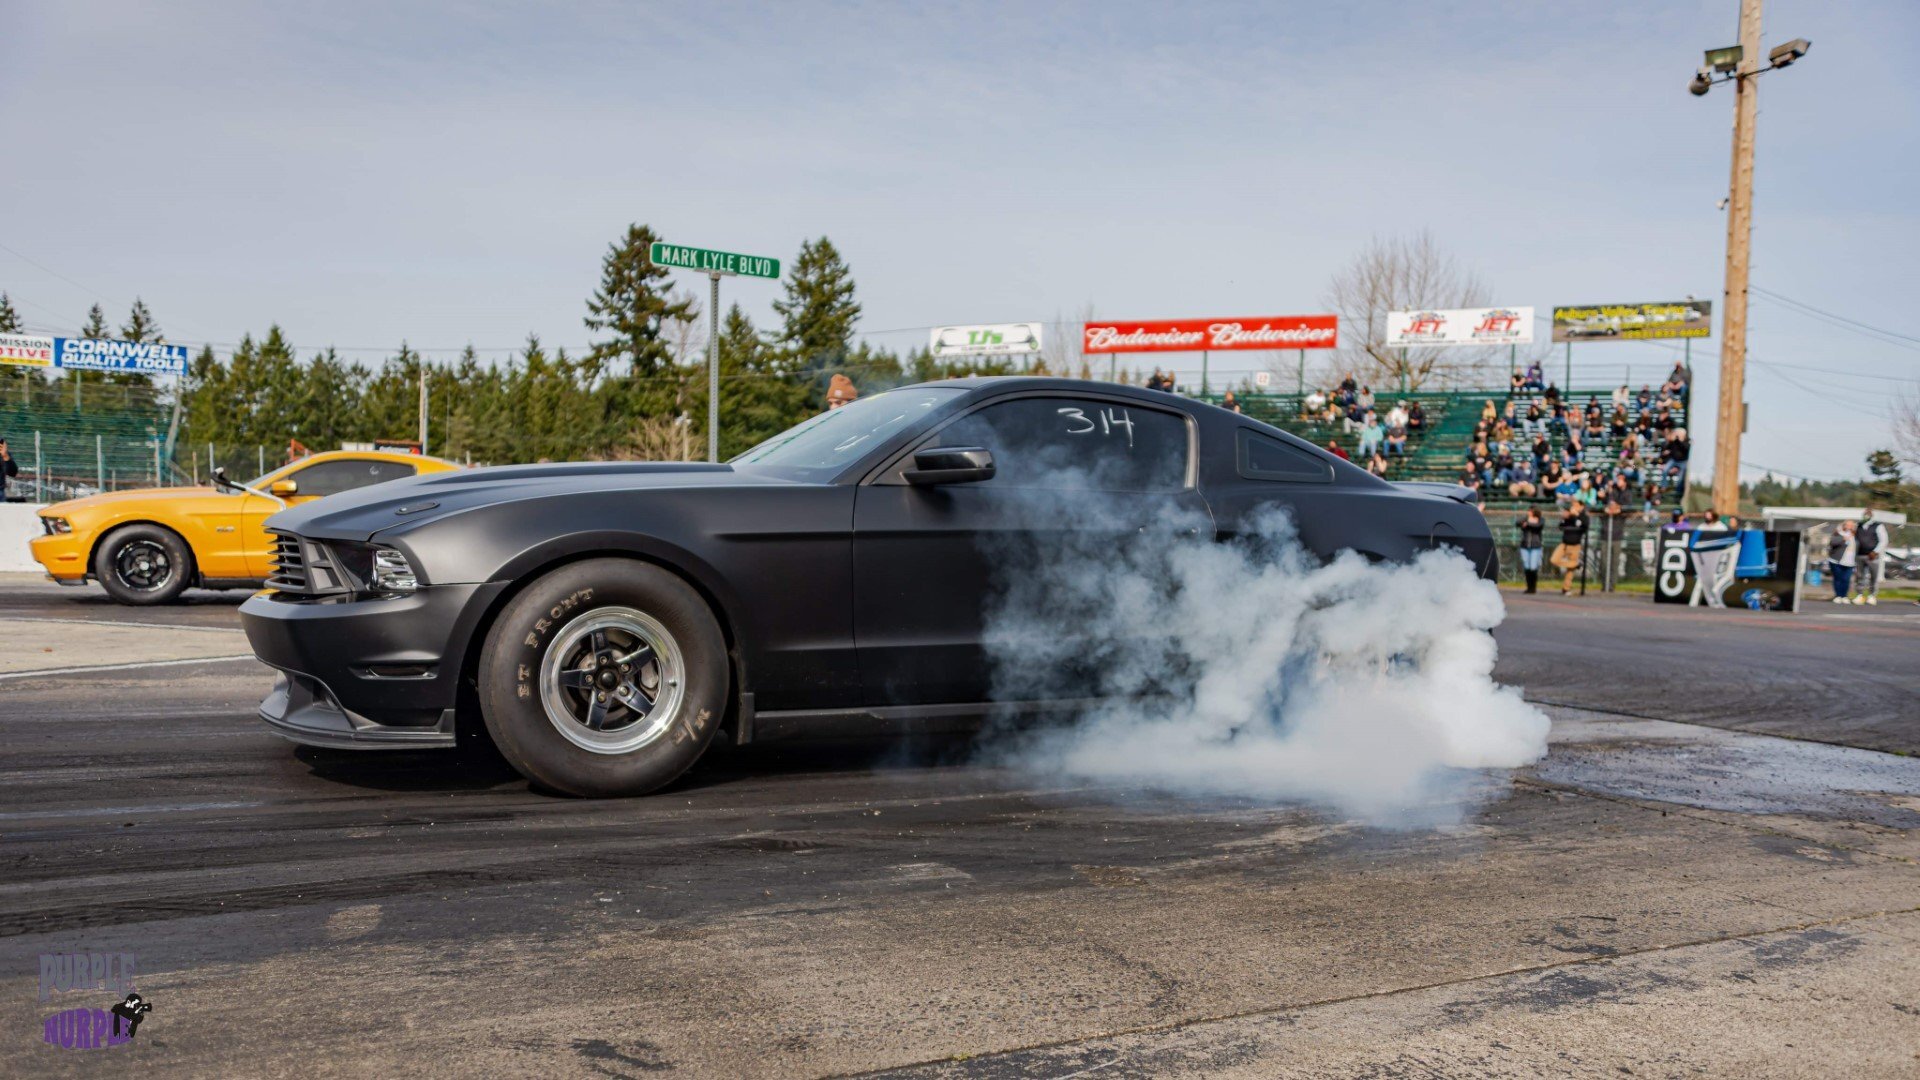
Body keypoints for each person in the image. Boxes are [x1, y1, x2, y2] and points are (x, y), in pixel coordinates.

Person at [1853, 509, 1889, 605]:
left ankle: (1872, 595)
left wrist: (1875, 551)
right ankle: (1859, 595)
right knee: (1860, 576)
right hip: (1860, 554)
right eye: (1865, 514)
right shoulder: (1858, 526)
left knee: (1873, 576)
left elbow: (1883, 540)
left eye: (1868, 514)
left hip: (1872, 556)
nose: (1866, 516)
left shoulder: (1878, 526)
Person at [1553, 503, 1589, 595]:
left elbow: (1584, 526)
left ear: (1581, 507)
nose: (1573, 508)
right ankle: (1576, 564)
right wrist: (1565, 517)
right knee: (1554, 560)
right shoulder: (1568, 517)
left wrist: (1576, 515)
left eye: (1576, 506)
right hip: (1564, 544)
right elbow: (1561, 526)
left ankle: (1566, 588)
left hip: (1575, 545)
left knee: (1570, 570)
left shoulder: (1583, 516)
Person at [1828, 521, 1857, 604]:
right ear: (1844, 525)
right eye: (1848, 525)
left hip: (1850, 561)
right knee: (1838, 579)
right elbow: (1832, 543)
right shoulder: (1838, 533)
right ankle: (1838, 595)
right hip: (1837, 560)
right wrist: (1843, 539)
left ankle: (1844, 596)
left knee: (1846, 579)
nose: (1849, 527)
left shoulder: (1855, 536)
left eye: (1851, 525)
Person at [1518, 508, 1545, 593]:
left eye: (1530, 511)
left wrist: (1528, 524)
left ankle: (1533, 587)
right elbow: (1517, 523)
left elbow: (1538, 526)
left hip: (1535, 545)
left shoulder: (1541, 519)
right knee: (1527, 567)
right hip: (1525, 545)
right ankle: (1529, 587)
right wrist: (1527, 521)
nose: (1528, 512)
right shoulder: (1525, 518)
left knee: (1533, 567)